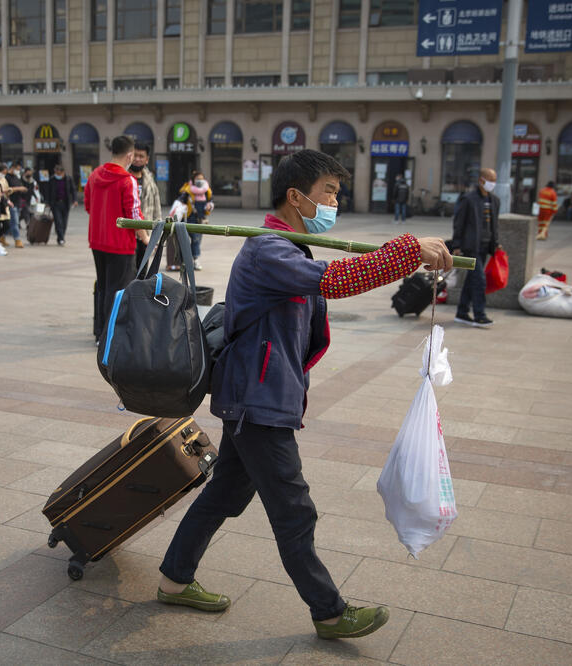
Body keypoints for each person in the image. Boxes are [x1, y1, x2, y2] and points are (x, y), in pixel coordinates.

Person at [154, 149, 454, 640]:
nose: (336, 200)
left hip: (258, 395)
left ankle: (173, 578)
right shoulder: (268, 249)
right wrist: (406, 251)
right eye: (329, 192)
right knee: (294, 510)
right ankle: (330, 612)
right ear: (297, 196)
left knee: (225, 494)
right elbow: (338, 281)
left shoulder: (288, 248)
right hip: (257, 401)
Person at [85, 135, 144, 343]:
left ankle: (100, 332)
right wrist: (145, 238)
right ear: (129, 155)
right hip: (120, 244)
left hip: (97, 240)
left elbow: (88, 206)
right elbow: (134, 214)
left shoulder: (94, 175)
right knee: (117, 290)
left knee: (102, 286)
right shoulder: (127, 180)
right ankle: (109, 335)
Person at [448, 167, 501, 328]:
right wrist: (456, 244)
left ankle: (462, 312)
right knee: (479, 280)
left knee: (472, 280)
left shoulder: (494, 200)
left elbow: (494, 225)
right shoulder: (469, 199)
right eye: (489, 180)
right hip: (471, 246)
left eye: (494, 180)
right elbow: (459, 223)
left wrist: (496, 243)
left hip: (486, 246)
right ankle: (480, 315)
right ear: (481, 180)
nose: (492, 183)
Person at [129, 142, 161, 269]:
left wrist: (156, 236)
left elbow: (156, 208)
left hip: (145, 235)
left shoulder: (150, 180)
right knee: (128, 273)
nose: (137, 159)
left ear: (147, 159)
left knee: (142, 272)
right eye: (135, 155)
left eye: (141, 156)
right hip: (128, 235)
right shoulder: (124, 177)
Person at [179, 171, 213, 270]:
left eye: (201, 179)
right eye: (197, 179)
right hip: (190, 218)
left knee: (196, 240)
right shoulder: (188, 190)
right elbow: (180, 201)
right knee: (195, 239)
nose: (200, 181)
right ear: (193, 180)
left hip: (201, 219)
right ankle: (195, 259)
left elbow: (211, 201)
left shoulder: (207, 191)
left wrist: (209, 206)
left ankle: (189, 259)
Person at [45, 164, 77, 246]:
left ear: (63, 172)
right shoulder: (52, 179)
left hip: (65, 203)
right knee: (58, 221)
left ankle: (61, 236)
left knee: (64, 222)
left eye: (59, 173)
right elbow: (48, 191)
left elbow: (73, 190)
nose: (57, 175)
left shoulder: (68, 179)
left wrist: (75, 200)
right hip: (55, 203)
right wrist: (47, 202)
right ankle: (61, 238)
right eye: (56, 173)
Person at [4, 163, 27, 248]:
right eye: (17, 169)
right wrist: (19, 188)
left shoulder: (17, 177)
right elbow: (6, 190)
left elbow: (20, 185)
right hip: (10, 202)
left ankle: (2, 237)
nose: (18, 171)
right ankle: (17, 239)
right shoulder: (7, 177)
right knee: (15, 222)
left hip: (17, 202)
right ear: (12, 168)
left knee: (11, 223)